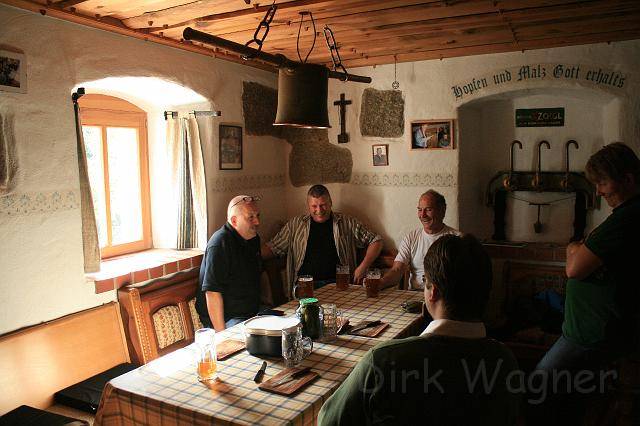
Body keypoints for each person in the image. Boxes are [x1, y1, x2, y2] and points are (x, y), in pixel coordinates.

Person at [318, 234, 520, 425]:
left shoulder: (382, 361)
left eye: (425, 282)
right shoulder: (505, 361)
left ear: (433, 292)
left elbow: (329, 421)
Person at [531, 142, 640, 423]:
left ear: (628, 179)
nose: (599, 191)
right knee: (577, 399)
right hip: (596, 332)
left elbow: (574, 268)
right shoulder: (625, 217)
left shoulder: (625, 220)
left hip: (590, 336)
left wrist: (573, 249)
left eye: (603, 183)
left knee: (540, 385)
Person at [262, 184, 383, 297]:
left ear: (331, 203)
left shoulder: (347, 222)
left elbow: (376, 240)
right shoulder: (296, 224)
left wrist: (362, 267)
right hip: (306, 286)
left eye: (323, 205)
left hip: (339, 286)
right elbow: (273, 247)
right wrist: (253, 256)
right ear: (308, 206)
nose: (319, 210)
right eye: (314, 206)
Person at [195, 195, 262, 331]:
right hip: (229, 320)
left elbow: (261, 272)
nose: (257, 222)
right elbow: (212, 293)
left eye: (258, 216)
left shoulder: (252, 238)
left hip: (253, 313)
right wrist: (222, 336)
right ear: (234, 221)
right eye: (251, 217)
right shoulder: (219, 244)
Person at [379, 190, 460, 290]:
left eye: (428, 210)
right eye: (420, 210)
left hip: (444, 295)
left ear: (442, 211)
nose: (422, 215)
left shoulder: (457, 239)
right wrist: (381, 282)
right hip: (416, 294)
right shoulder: (412, 237)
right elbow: (397, 269)